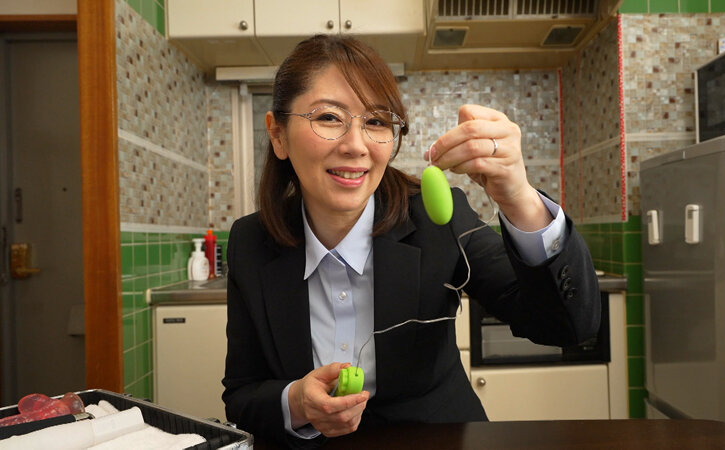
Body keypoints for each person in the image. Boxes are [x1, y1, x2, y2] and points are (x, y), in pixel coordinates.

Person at [222, 34, 600, 448]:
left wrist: (519, 199)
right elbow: (241, 395)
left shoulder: (436, 221)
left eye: (376, 121)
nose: (356, 146)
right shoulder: (250, 242)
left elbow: (568, 326)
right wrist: (295, 402)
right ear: (278, 135)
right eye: (329, 117)